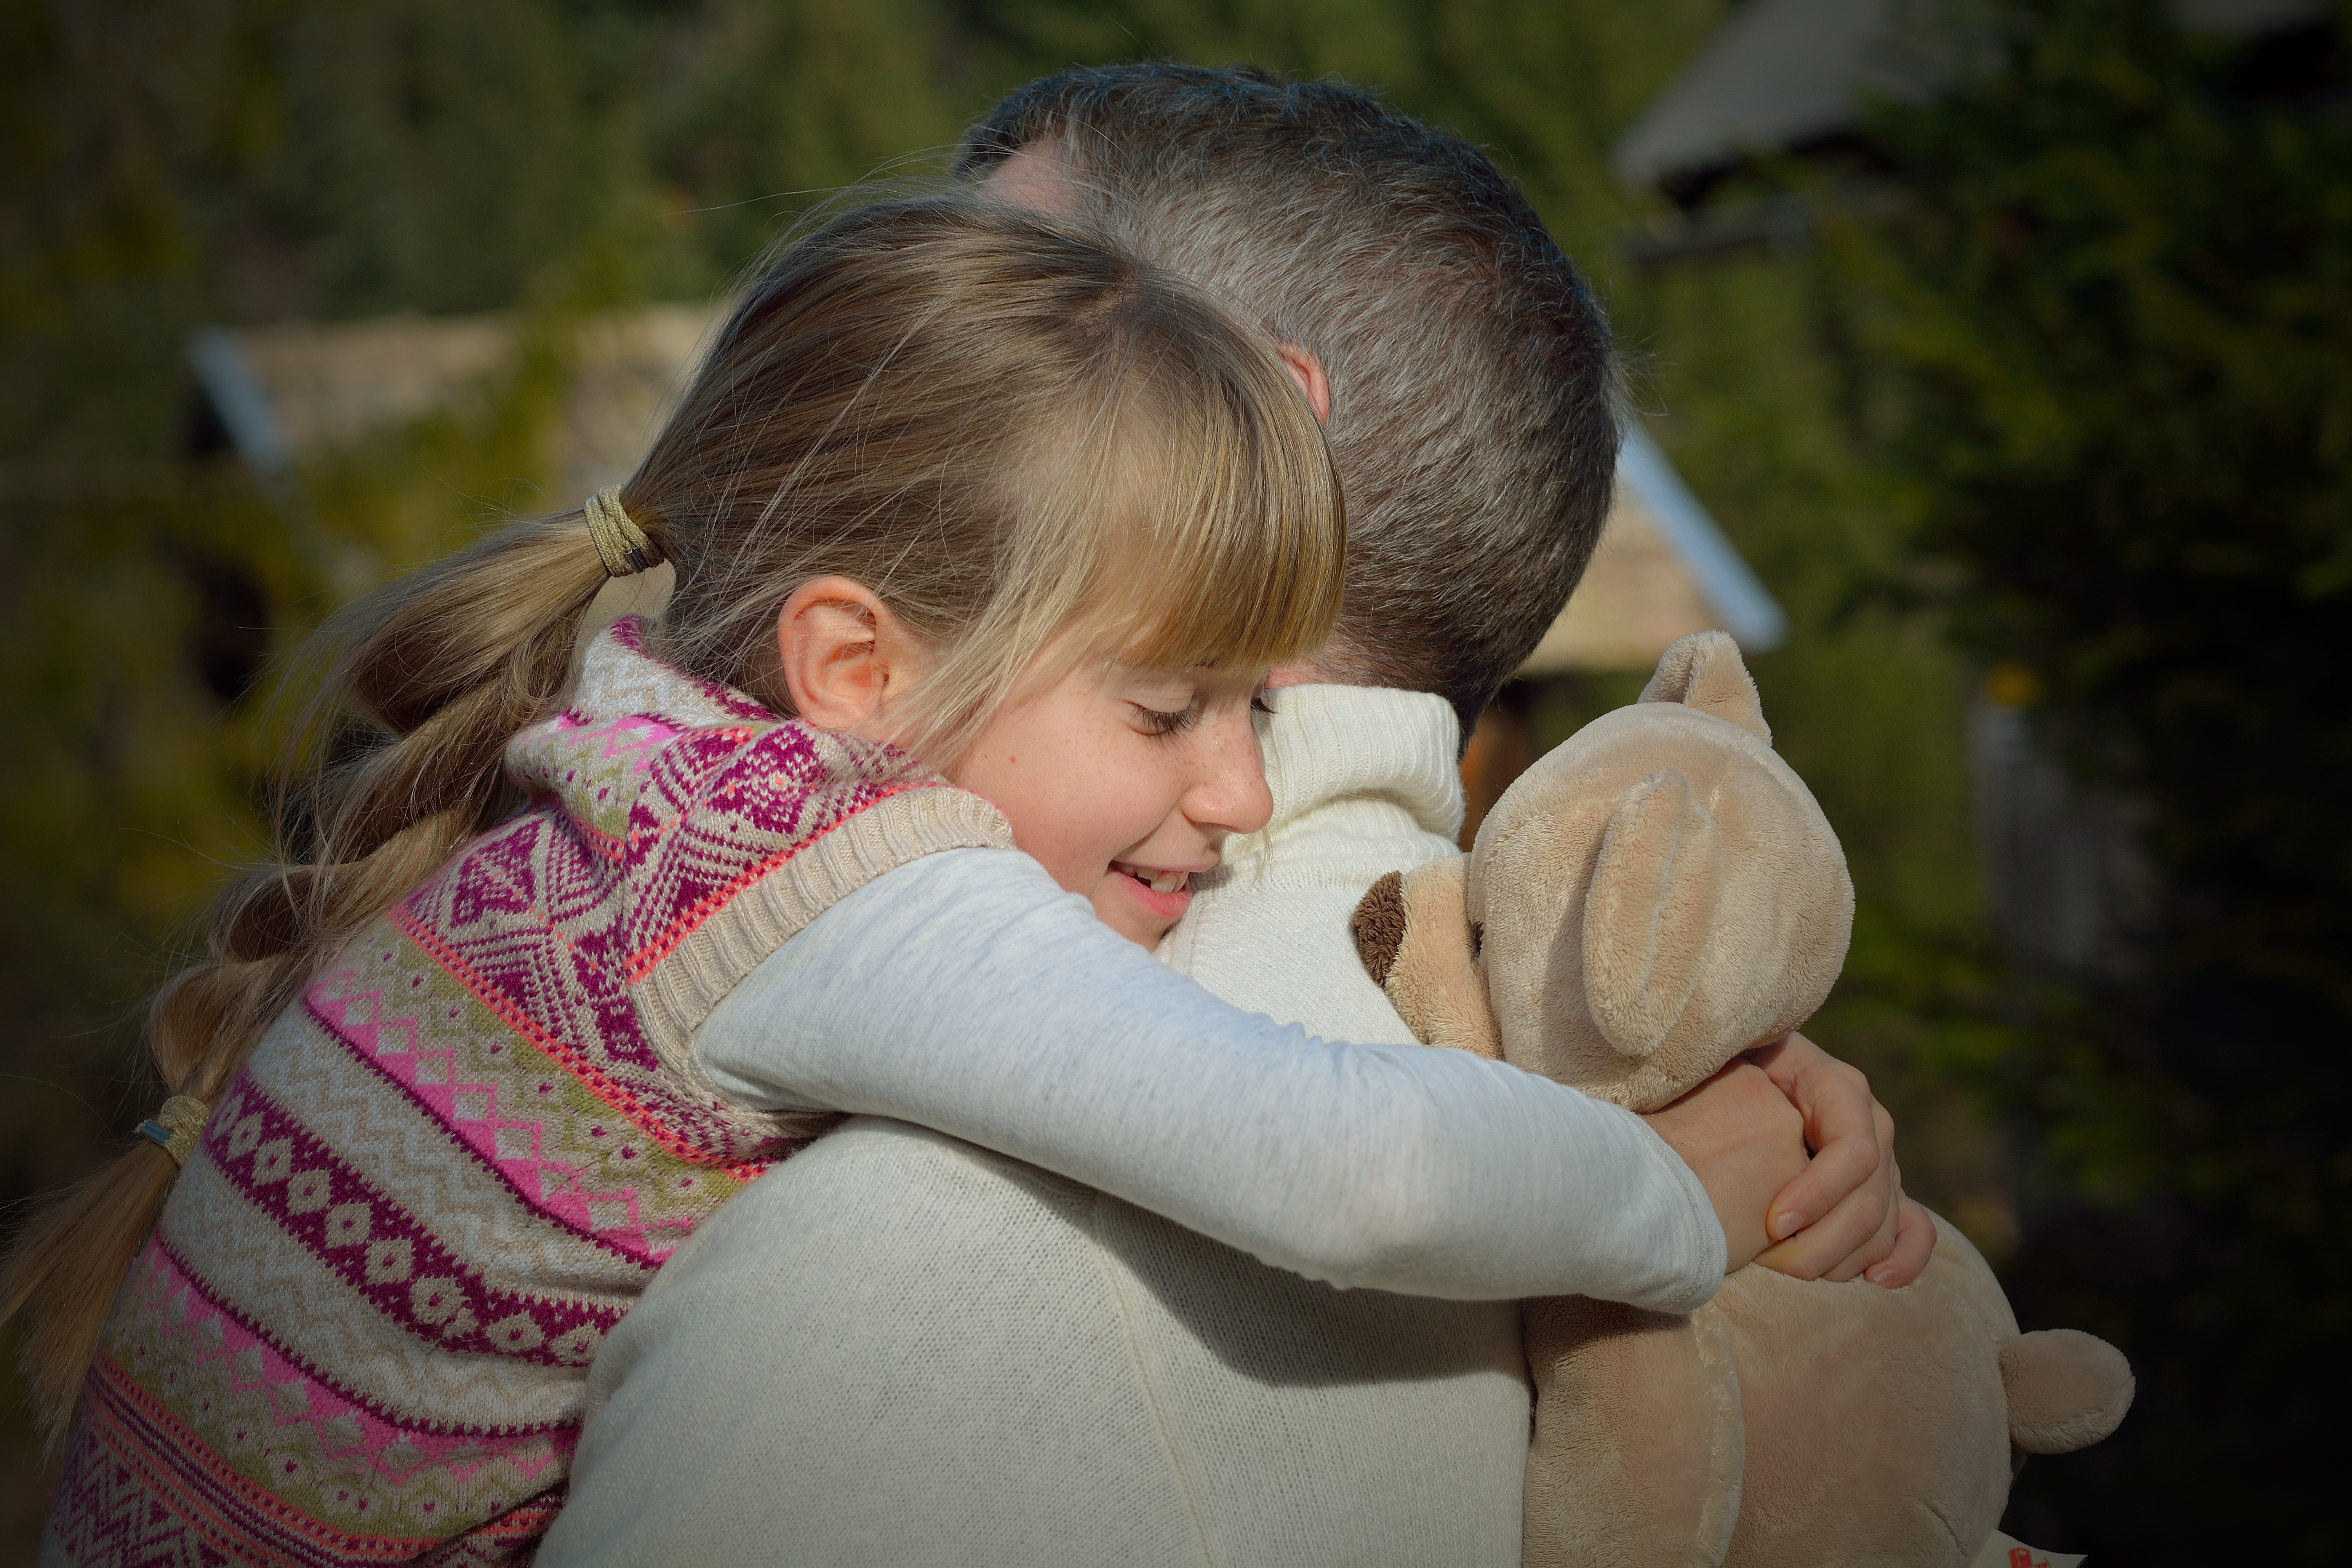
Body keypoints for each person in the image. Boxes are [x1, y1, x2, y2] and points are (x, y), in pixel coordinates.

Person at [18, 196, 1787, 1568]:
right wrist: (1672, 1195)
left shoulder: (643, 758)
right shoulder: (822, 880)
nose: (1245, 789)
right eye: (1170, 707)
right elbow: (1355, 1164)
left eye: (1258, 705)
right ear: (855, 667)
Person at [543, 66, 1930, 1568]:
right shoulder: (1617, 1088)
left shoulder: (897, 1269)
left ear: (1256, 421)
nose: (869, 385)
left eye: (997, 301)